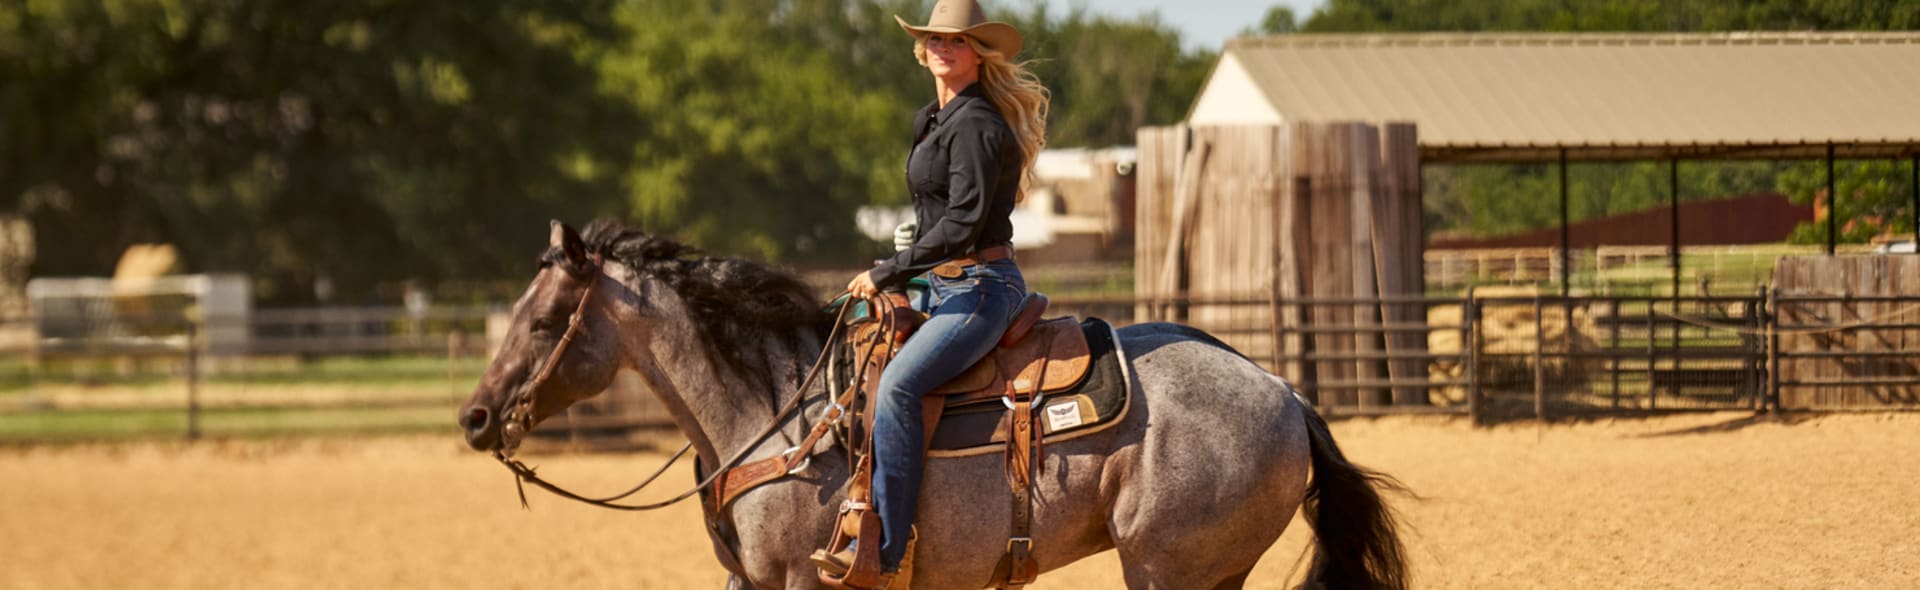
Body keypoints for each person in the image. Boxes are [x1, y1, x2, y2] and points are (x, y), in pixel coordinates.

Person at [819, 0, 1049, 582]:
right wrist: (909, 254)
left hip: (979, 290)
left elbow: (966, 223)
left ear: (977, 53)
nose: (943, 48)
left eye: (958, 41)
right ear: (922, 51)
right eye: (935, 40)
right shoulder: (933, 118)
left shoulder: (976, 123)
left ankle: (887, 556)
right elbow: (939, 214)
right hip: (939, 282)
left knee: (897, 386)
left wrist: (892, 268)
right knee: (858, 352)